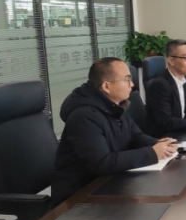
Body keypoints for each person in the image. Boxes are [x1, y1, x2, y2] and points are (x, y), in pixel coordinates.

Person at [51, 57, 178, 206]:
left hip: (110, 184)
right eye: (127, 80)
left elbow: (135, 135)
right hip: (79, 197)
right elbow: (102, 162)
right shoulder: (83, 116)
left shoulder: (114, 105)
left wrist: (159, 144)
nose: (132, 85)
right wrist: (152, 153)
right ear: (106, 86)